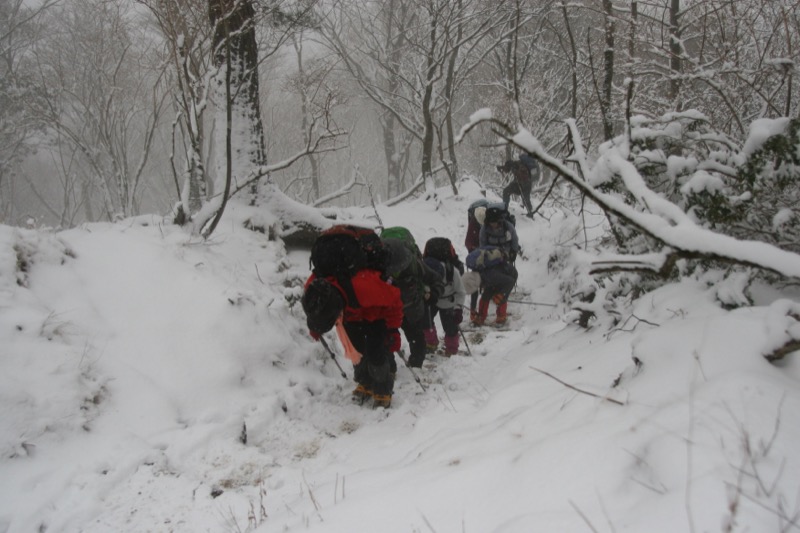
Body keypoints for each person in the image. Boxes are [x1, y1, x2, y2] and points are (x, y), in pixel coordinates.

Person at [302, 242, 404, 409]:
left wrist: (393, 329)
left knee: (376, 353)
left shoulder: (364, 286)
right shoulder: (314, 289)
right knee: (357, 350)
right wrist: (315, 326)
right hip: (351, 315)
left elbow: (394, 299)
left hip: (375, 315)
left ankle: (382, 389)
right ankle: (365, 381)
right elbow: (315, 310)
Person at [382, 237, 445, 368]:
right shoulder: (379, 266)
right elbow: (436, 279)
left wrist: (434, 294)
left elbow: (436, 280)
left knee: (413, 340)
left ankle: (412, 367)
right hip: (401, 310)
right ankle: (390, 369)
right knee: (390, 340)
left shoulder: (414, 265)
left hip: (409, 311)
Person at [422, 239, 466, 356]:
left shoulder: (453, 272)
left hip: (448, 301)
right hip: (432, 299)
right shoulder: (423, 270)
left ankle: (451, 349)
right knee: (425, 321)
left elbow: (461, 292)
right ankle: (431, 343)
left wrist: (458, 309)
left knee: (450, 327)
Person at [465, 245, 518, 326]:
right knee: (486, 295)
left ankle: (501, 316)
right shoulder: (475, 274)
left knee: (499, 296)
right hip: (494, 276)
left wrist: (502, 294)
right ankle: (481, 317)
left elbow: (510, 282)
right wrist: (472, 309)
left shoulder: (491, 275)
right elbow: (474, 292)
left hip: (510, 275)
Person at [465, 199, 488, 321]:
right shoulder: (473, 223)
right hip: (477, 257)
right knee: (475, 281)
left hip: (488, 257)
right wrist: (475, 251)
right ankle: (473, 310)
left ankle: (482, 309)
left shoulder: (489, 223)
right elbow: (468, 242)